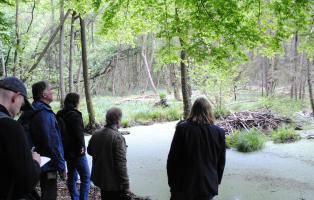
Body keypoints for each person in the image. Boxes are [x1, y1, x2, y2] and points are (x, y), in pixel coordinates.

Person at [167, 97, 226, 200]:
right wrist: (215, 182)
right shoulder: (219, 132)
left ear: (193, 110)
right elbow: (221, 163)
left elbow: (172, 160)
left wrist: (172, 184)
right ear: (209, 111)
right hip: (207, 186)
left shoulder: (182, 129)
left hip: (183, 185)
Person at [0, 76, 41, 199]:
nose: (19, 111)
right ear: (15, 97)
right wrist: (35, 162)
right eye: (22, 105)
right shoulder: (10, 127)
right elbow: (27, 181)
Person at [31, 81, 66, 200]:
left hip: (34, 161)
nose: (52, 91)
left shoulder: (32, 110)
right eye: (50, 89)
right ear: (44, 94)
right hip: (48, 165)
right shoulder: (45, 114)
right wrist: (61, 167)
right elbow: (52, 143)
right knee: (49, 195)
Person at [87, 107, 129, 200]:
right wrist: (126, 185)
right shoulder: (118, 137)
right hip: (114, 183)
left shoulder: (96, 134)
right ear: (118, 121)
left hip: (101, 179)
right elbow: (121, 164)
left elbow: (89, 151)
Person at [57, 93, 90, 200]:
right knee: (86, 177)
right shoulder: (75, 115)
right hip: (76, 151)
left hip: (66, 151)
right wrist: (82, 148)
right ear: (76, 102)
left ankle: (75, 198)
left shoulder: (59, 114)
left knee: (72, 177)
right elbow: (79, 134)